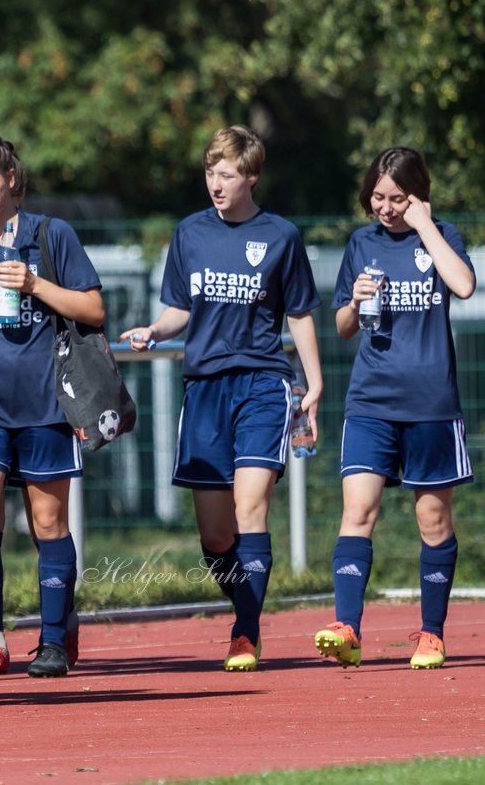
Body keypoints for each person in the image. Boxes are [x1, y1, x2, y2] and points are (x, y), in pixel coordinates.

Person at [119, 124, 323, 671]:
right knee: (215, 533)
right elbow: (181, 308)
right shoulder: (189, 233)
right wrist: (155, 331)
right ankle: (247, 603)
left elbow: (299, 312)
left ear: (251, 176)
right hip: (204, 388)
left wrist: (315, 381)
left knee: (249, 506)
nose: (216, 182)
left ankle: (245, 632)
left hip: (261, 384)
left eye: (227, 174)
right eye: (210, 172)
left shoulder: (280, 235)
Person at [314, 147, 475, 670]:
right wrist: (355, 302)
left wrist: (424, 224)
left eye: (397, 198)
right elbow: (341, 329)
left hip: (431, 403)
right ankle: (347, 628)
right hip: (370, 401)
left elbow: (465, 285)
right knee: (357, 511)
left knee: (432, 518)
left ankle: (431, 633)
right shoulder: (361, 243)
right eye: (378, 197)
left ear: (418, 195)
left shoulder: (443, 235)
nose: (385, 207)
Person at [0, 130, 105, 678]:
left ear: (11, 179)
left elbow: (93, 309)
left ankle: (54, 639)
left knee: (47, 522)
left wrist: (36, 283)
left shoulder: (50, 234)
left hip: (45, 404)